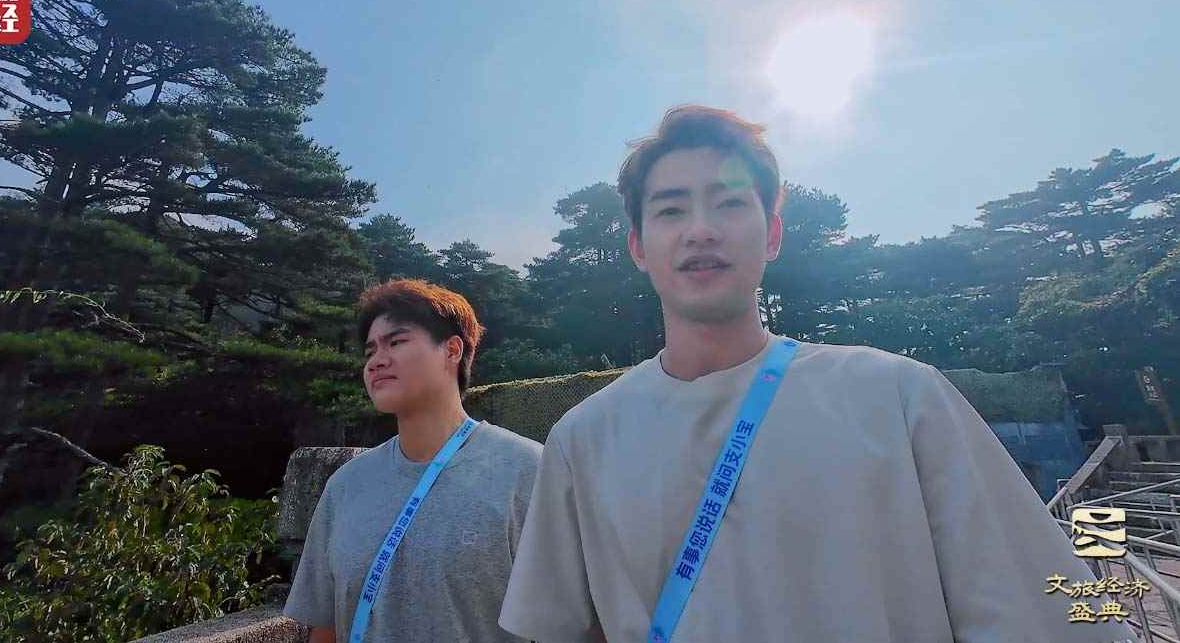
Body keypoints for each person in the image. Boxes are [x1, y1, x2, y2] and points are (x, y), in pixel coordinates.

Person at [498, 106, 1136, 642]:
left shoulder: (898, 396)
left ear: (772, 234)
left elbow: (1047, 617)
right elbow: (561, 626)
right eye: (670, 211)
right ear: (637, 246)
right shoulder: (584, 438)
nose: (701, 230)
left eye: (729, 203)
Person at [285, 279, 543, 642]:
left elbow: (573, 622)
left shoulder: (528, 470)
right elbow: (325, 629)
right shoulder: (345, 485)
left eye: (396, 342)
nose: (377, 361)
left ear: (452, 350)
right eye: (370, 351)